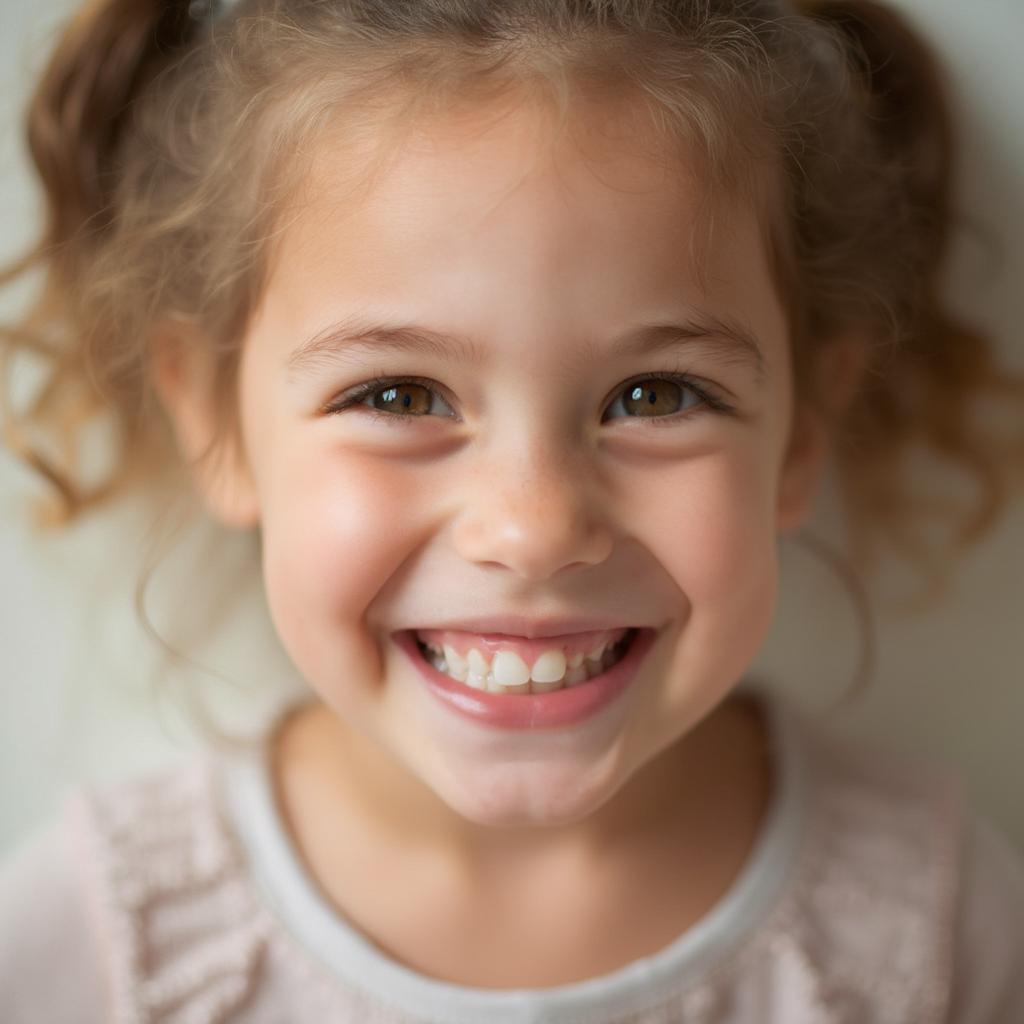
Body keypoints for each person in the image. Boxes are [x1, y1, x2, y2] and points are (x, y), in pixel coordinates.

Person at [1, 0, 1023, 1020]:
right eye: (397, 396)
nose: (534, 527)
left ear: (801, 431)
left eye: (656, 394)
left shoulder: (942, 935)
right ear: (216, 422)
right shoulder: (89, 948)